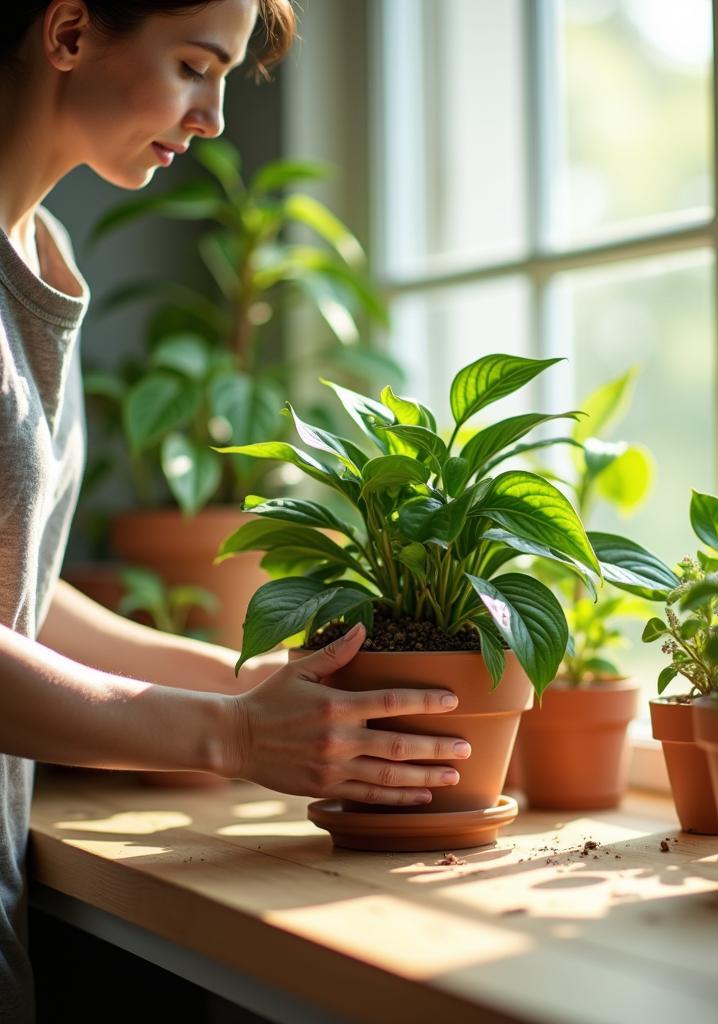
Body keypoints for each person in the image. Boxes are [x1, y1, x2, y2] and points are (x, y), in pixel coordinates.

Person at [0, 3, 470, 1019]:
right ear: (71, 34)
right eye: (192, 66)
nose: (214, 116)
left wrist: (242, 681)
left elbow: (19, 603)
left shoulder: (41, 249)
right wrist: (232, 739)